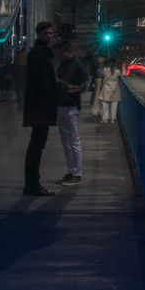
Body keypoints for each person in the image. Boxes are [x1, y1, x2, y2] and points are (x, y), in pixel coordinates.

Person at [22, 20, 59, 196]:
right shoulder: (37, 53)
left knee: (38, 145)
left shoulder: (42, 52)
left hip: (42, 108)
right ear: (39, 35)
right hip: (38, 108)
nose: (49, 36)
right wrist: (49, 49)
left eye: (51, 33)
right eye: (46, 34)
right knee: (36, 146)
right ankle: (31, 183)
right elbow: (36, 69)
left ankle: (32, 182)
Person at [54, 39, 88, 185]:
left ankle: (77, 173)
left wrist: (74, 88)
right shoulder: (62, 66)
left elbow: (85, 85)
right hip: (61, 106)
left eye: (61, 53)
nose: (59, 56)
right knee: (65, 141)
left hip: (72, 106)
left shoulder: (77, 66)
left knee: (74, 139)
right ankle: (71, 171)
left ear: (67, 52)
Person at [96, 59, 121, 124]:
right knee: (114, 104)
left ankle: (105, 118)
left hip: (106, 88)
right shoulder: (118, 71)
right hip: (115, 88)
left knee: (105, 103)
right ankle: (113, 119)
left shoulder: (105, 70)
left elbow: (102, 75)